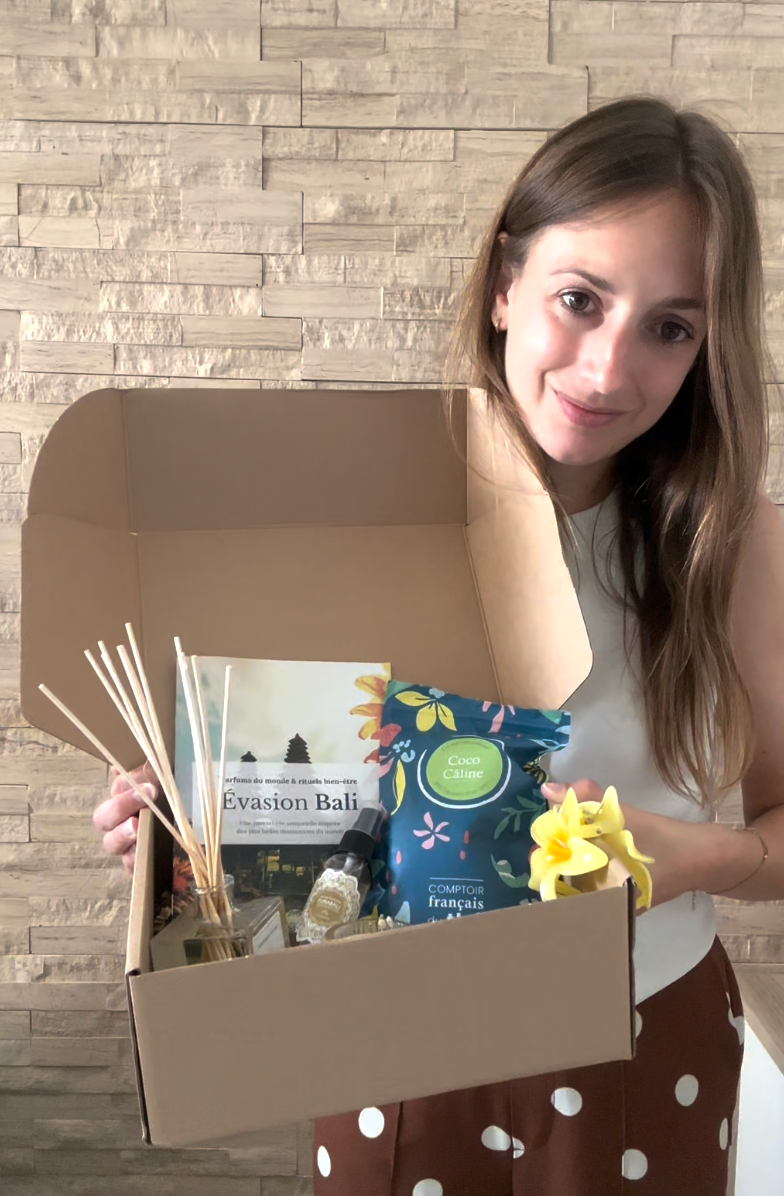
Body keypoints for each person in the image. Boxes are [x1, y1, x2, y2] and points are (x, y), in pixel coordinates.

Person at [94, 95, 784, 1195]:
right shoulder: (361, 507)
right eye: (579, 299)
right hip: (391, 1042)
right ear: (506, 283)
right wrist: (190, 830)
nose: (608, 370)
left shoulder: (732, 545)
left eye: (670, 327)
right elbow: (301, 813)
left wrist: (693, 857)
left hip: (645, 1035)